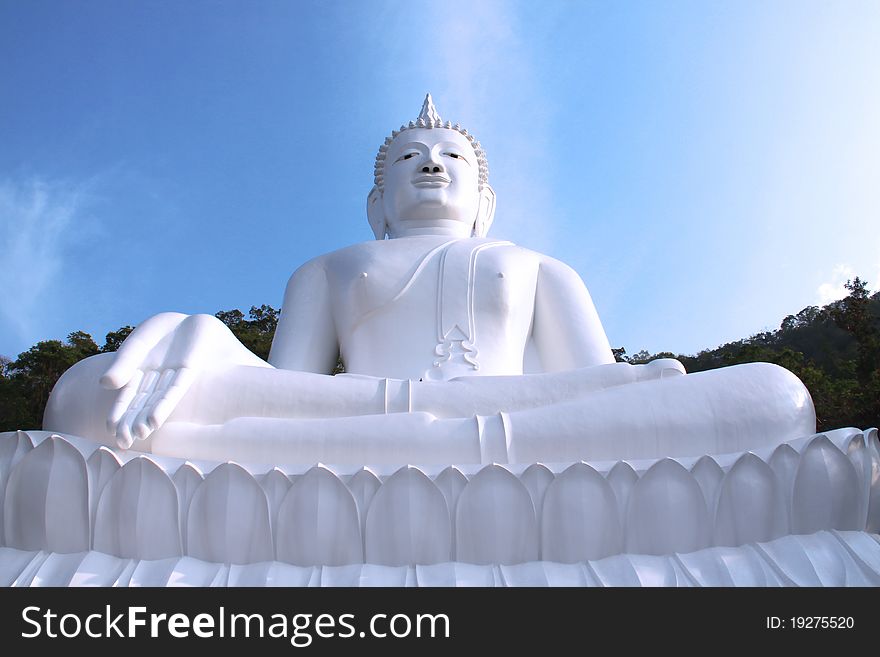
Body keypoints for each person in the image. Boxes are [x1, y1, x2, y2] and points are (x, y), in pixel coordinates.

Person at [44, 95, 815, 465]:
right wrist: (207, 343)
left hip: (532, 440)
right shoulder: (327, 267)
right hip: (345, 434)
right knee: (85, 396)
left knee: (776, 398)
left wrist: (631, 387)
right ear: (377, 204)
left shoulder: (539, 266)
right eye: (408, 158)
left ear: (485, 201)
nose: (431, 162)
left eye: (451, 156)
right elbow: (291, 389)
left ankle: (439, 430)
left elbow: (603, 386)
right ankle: (428, 427)